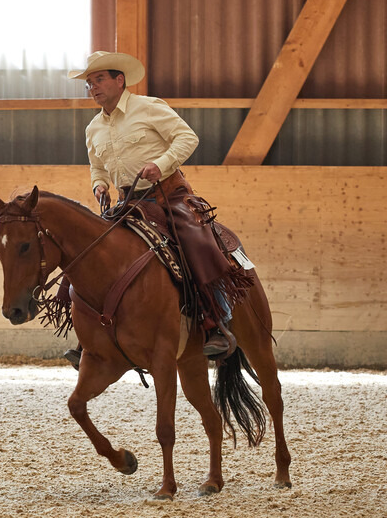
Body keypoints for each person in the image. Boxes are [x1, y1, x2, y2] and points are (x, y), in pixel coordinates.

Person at [61, 51, 249, 367]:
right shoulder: (93, 128)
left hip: (168, 196)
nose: (93, 87)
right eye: (89, 83)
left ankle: (218, 322)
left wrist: (160, 165)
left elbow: (187, 138)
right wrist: (100, 183)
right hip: (126, 203)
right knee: (89, 252)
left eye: (99, 79)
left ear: (119, 80)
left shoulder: (148, 108)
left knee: (196, 240)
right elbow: (97, 166)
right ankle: (89, 335)